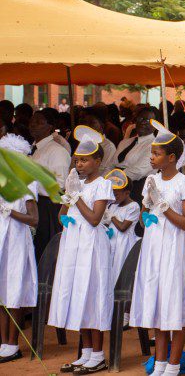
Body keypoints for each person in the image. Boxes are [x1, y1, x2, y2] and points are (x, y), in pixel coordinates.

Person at [129, 120, 185, 376]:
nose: (151, 157)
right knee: (158, 305)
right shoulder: (151, 179)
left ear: (171, 158)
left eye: (156, 154)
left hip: (174, 249)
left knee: (175, 306)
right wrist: (147, 211)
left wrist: (164, 206)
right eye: (151, 153)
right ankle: (159, 363)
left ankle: (173, 365)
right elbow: (145, 218)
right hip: (153, 248)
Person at [48, 126, 114, 374]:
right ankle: (85, 353)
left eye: (85, 160)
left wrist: (77, 197)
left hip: (92, 246)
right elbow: (61, 217)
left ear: (98, 161)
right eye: (77, 160)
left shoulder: (102, 185)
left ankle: (98, 355)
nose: (80, 164)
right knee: (79, 296)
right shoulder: (76, 184)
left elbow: (95, 219)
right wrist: (69, 195)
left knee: (92, 296)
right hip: (74, 245)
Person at [0, 134, 38, 363]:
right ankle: (3, 342)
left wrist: (10, 211)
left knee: (13, 289)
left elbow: (34, 219)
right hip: (1, 239)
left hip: (16, 240)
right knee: (1, 290)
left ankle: (13, 344)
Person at [29, 109, 71, 261]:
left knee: (46, 251)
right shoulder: (34, 148)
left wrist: (29, 183)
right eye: (32, 121)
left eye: (39, 122)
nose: (33, 125)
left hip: (49, 206)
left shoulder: (57, 151)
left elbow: (59, 185)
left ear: (50, 126)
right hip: (36, 203)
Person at [103, 169, 140, 296]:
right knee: (109, 269)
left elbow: (123, 227)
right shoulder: (113, 205)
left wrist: (111, 216)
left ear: (127, 193)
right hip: (111, 242)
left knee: (119, 270)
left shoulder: (133, 206)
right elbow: (107, 223)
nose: (113, 197)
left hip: (123, 244)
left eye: (116, 195)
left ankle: (118, 297)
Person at [114, 108, 156, 204]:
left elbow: (139, 171)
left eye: (148, 120)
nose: (143, 122)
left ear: (155, 124)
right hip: (114, 187)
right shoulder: (125, 142)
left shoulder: (155, 145)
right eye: (140, 119)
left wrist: (113, 179)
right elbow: (111, 164)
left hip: (135, 191)